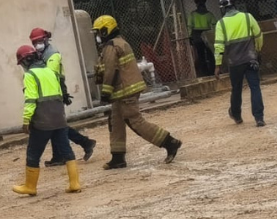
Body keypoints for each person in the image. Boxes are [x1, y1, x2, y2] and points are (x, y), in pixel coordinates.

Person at [92, 15, 182, 169]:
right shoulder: (120, 42)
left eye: (99, 32)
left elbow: (110, 71)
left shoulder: (111, 46)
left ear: (106, 30)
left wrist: (105, 93)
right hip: (123, 91)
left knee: (135, 121)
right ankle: (118, 157)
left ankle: (170, 142)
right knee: (116, 122)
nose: (98, 36)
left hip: (124, 91)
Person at [11, 45, 82, 197]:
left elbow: (31, 100)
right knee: (66, 150)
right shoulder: (51, 72)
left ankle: (30, 186)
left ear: (26, 61)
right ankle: (74, 183)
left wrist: (26, 120)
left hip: (42, 121)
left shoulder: (30, 75)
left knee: (33, 153)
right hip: (59, 119)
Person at [29, 27, 97, 166]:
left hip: (54, 92)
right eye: (34, 43)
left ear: (46, 39)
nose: (37, 45)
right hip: (52, 92)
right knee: (55, 125)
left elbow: (52, 75)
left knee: (57, 125)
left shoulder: (52, 54)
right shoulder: (42, 54)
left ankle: (83, 143)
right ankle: (63, 154)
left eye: (39, 42)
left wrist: (63, 93)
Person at [213, 0, 265, 127]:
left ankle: (236, 116)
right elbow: (258, 35)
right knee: (255, 87)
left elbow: (219, 46)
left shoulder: (221, 24)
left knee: (236, 89)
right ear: (235, 4)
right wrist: (257, 50)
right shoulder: (248, 17)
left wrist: (218, 65)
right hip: (250, 59)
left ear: (223, 8)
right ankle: (259, 118)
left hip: (234, 63)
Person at [188, 0, 217, 77]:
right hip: (207, 34)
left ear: (196, 4)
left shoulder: (193, 14)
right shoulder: (209, 14)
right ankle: (212, 71)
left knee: (201, 55)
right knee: (210, 54)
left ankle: (204, 73)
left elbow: (190, 26)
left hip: (197, 35)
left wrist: (190, 36)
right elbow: (215, 24)